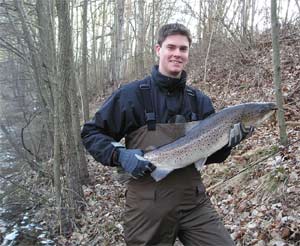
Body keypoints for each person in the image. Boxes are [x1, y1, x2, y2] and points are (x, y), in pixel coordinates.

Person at [81, 23, 252, 246]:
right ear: (158, 49)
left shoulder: (199, 101)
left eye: (183, 49)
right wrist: (120, 155)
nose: (177, 54)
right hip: (147, 208)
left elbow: (211, 156)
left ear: (189, 53)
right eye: (171, 47)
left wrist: (228, 143)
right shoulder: (131, 96)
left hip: (194, 203)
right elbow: (91, 132)